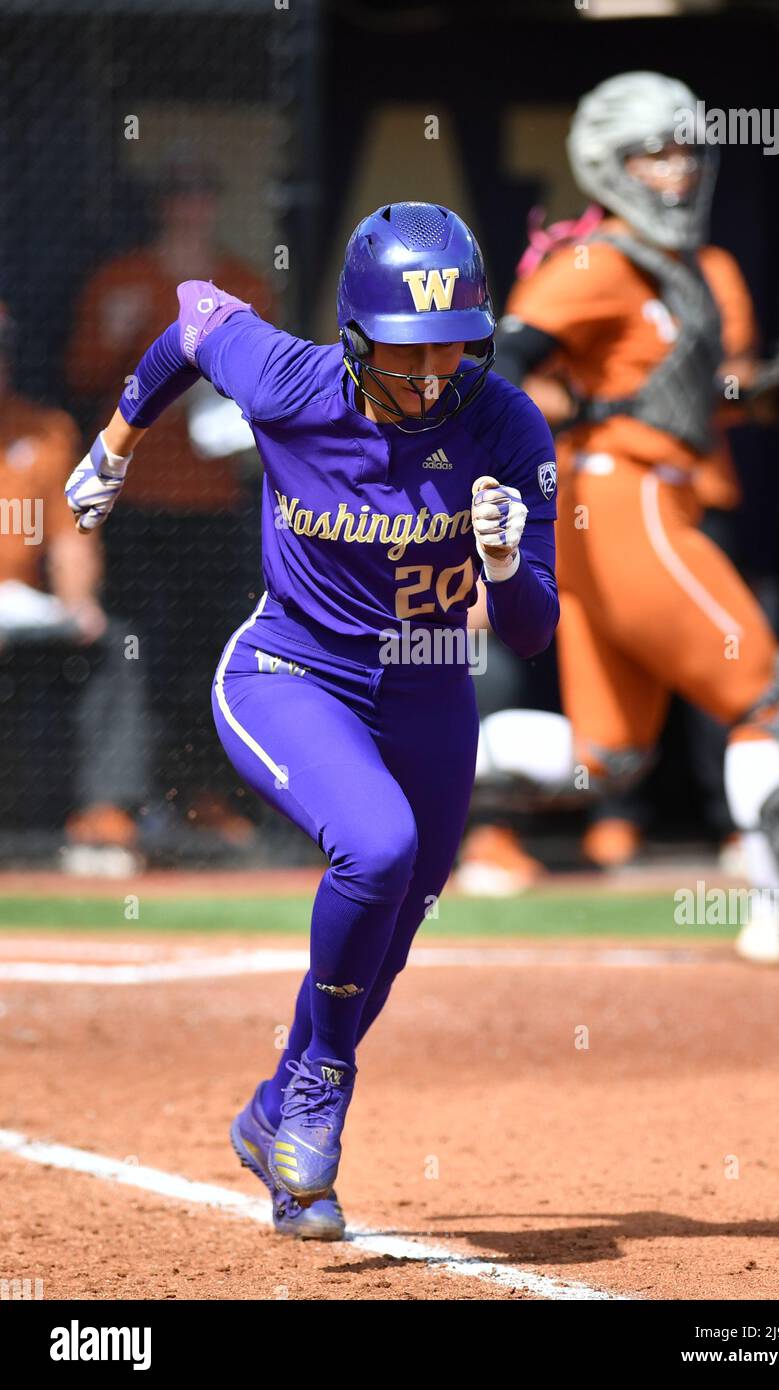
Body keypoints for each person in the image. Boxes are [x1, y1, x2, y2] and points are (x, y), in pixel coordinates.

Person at [65, 201, 559, 1238]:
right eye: (405, 350)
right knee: (375, 848)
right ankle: (322, 1079)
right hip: (290, 673)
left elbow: (532, 630)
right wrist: (115, 444)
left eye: (452, 347)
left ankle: (272, 1124)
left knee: (391, 927)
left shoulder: (504, 424)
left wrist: (506, 564)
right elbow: (193, 322)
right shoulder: (294, 380)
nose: (430, 375)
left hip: (429, 694)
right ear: (352, 335)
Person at [492, 71, 779, 964]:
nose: (677, 168)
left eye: (685, 147)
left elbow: (701, 393)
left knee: (604, 760)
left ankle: (424, 762)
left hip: (653, 498)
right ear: (608, 164)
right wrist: (552, 409)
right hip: (620, 500)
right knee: (767, 697)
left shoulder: (699, 269)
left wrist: (763, 397)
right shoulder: (594, 259)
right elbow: (497, 366)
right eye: (654, 151)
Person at [66, 144, 274, 846]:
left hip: (215, 503)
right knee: (132, 650)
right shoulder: (120, 279)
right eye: (178, 193)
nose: (191, 207)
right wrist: (122, 332)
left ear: (214, 203)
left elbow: (270, 382)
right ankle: (118, 805)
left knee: (211, 651)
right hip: (137, 501)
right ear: (161, 205)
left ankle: (206, 797)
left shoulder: (244, 281)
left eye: (202, 192)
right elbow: (80, 373)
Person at [0, 301, 148, 868]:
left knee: (113, 646)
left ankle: (102, 819)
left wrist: (78, 604)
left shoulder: (44, 431)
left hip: (22, 616)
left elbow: (69, 538)